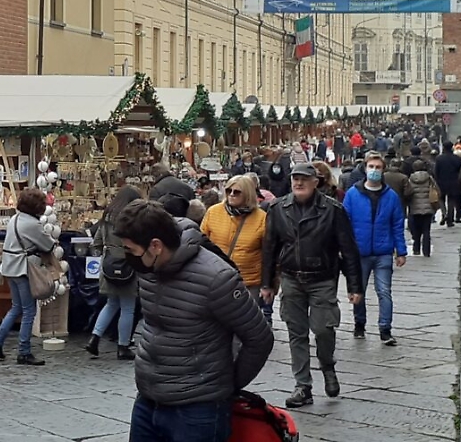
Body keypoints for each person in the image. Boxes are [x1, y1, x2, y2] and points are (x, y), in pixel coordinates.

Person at [115, 200, 273, 442]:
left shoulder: (217, 278)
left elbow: (259, 337)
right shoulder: (148, 268)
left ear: (156, 246)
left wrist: (228, 384)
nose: (128, 257)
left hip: (198, 409)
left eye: (131, 250)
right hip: (148, 398)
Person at [261, 162, 363, 409]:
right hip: (292, 279)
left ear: (315, 182)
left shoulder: (332, 210)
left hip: (322, 279)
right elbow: (270, 248)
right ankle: (303, 386)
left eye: (304, 179)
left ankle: (327, 367)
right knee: (296, 333)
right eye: (295, 178)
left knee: (323, 329)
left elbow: (348, 250)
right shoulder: (278, 208)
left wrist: (355, 286)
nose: (298, 183)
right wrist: (267, 284)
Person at [342, 151, 407, 346]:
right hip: (359, 252)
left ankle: (385, 329)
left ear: (383, 170)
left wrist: (401, 251)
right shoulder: (352, 194)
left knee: (384, 291)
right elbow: (344, 224)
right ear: (365, 168)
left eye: (378, 167)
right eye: (371, 167)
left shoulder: (391, 196)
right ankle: (359, 324)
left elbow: (397, 224)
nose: (374, 170)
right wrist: (344, 249)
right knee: (358, 290)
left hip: (382, 252)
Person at [0, 188, 57, 365]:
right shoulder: (32, 225)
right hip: (23, 269)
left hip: (10, 267)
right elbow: (48, 245)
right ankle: (24, 351)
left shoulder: (14, 219)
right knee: (29, 311)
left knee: (16, 307)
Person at [201, 175, 272, 324]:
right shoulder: (214, 212)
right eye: (229, 191)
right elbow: (201, 243)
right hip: (215, 280)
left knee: (244, 325)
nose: (232, 194)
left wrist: (268, 285)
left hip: (248, 282)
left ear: (248, 194)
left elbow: (269, 254)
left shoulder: (262, 219)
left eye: (237, 191)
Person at [86, 186, 142, 360]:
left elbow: (95, 244)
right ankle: (123, 346)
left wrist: (104, 257)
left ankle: (94, 338)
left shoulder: (107, 218)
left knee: (111, 304)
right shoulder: (134, 220)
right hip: (128, 266)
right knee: (127, 307)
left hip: (109, 265)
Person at [407, 160, 438, 257]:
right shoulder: (429, 178)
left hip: (415, 207)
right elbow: (436, 188)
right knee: (426, 231)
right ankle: (426, 251)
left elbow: (408, 192)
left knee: (416, 230)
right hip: (428, 207)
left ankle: (416, 249)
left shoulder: (411, 179)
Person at [435, 140, 461, 227]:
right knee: (451, 201)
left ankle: (444, 214)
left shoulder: (439, 159)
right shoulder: (457, 159)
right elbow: (460, 171)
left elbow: (436, 171)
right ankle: (450, 219)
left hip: (441, 182)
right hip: (453, 182)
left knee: (441, 199)